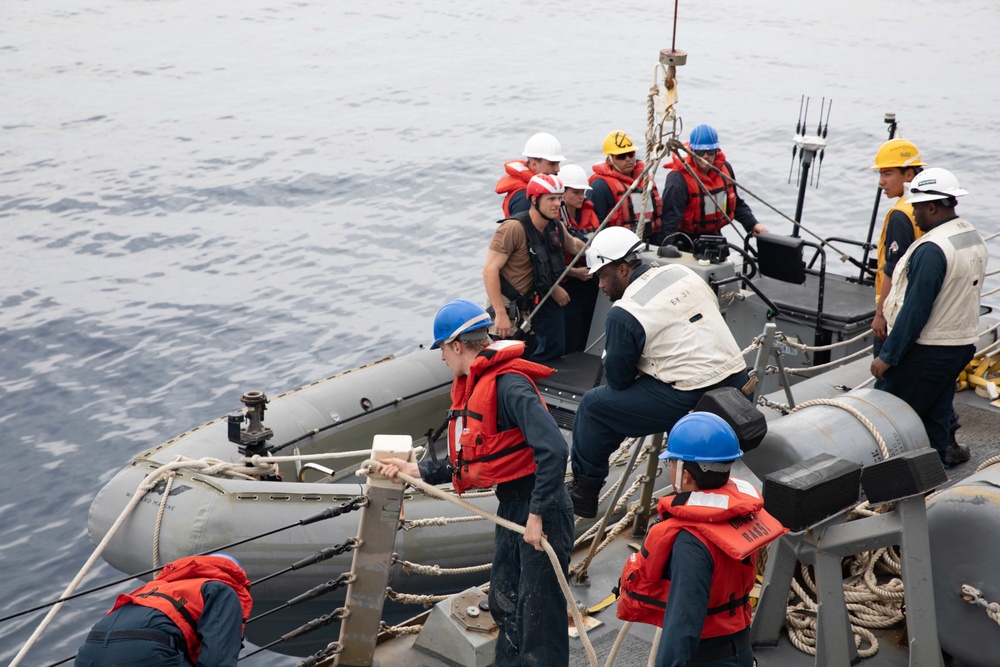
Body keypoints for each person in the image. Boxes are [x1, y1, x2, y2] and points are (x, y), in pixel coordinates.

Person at [378, 300, 574, 667]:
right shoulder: (478, 384)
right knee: (504, 602)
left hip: (540, 511)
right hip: (514, 505)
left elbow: (553, 449)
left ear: (456, 346)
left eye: (441, 349)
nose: (441, 359)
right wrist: (421, 472)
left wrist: (537, 515)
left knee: (540, 625)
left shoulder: (510, 386)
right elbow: (476, 454)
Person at [567, 227, 750, 518]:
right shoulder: (682, 272)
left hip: (693, 395)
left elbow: (618, 380)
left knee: (593, 406)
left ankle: (584, 494)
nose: (600, 285)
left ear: (623, 269)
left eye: (602, 276)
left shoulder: (623, 312)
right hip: (738, 382)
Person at [615, 413, 786, 667]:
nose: (670, 468)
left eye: (672, 462)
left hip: (707, 658)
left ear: (685, 475)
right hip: (738, 647)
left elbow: (682, 625)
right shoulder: (740, 515)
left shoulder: (691, 542)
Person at [871, 168, 987, 466]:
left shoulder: (933, 248)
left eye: (918, 207)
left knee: (887, 414)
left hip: (928, 351)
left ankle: (892, 484)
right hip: (960, 345)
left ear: (933, 207)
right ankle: (935, 471)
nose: (915, 213)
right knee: (936, 414)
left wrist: (889, 356)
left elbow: (916, 309)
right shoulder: (971, 236)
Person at [75, 553, 253, 667]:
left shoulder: (159, 586)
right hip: (144, 652)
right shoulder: (220, 589)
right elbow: (218, 659)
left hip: (89, 653)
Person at [484, 173, 586, 362]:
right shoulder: (512, 229)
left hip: (532, 305)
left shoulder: (554, 226)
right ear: (534, 199)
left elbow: (572, 244)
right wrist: (499, 314)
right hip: (509, 307)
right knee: (506, 361)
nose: (557, 204)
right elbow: (490, 271)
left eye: (559, 198)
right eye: (551, 199)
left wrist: (598, 248)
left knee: (537, 352)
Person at [660, 124, 766, 250]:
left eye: (710, 151)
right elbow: (669, 222)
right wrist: (668, 250)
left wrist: (753, 224)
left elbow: (735, 203)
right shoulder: (678, 180)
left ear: (717, 150)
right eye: (700, 152)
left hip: (716, 240)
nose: (705, 156)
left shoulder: (725, 170)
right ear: (692, 151)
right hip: (686, 244)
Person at [869, 138, 926, 358]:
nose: (881, 182)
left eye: (888, 173)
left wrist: (880, 315)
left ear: (909, 175)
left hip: (896, 310)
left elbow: (893, 269)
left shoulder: (901, 215)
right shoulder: (928, 205)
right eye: (880, 174)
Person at [589, 130, 664, 244]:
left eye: (631, 154)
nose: (628, 159)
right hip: (620, 245)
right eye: (621, 156)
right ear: (610, 160)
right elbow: (598, 227)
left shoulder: (644, 178)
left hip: (650, 242)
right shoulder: (600, 187)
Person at [559, 164, 600, 353]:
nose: (581, 196)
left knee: (590, 324)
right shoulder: (556, 219)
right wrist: (575, 273)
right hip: (568, 284)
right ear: (562, 192)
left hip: (591, 280)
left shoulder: (588, 212)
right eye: (575, 192)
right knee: (573, 331)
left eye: (583, 192)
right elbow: (551, 259)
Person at [495, 132, 565, 216]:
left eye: (558, 164)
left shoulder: (534, 192)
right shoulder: (524, 199)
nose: (558, 169)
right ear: (534, 164)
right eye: (552, 164)